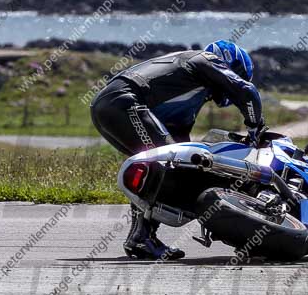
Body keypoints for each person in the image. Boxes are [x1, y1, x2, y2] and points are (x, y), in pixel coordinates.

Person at [90, 40, 265, 260]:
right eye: (236, 74)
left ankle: (141, 237)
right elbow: (246, 91)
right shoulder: (204, 59)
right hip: (123, 102)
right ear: (230, 65)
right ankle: (142, 237)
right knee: (165, 165)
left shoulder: (189, 90)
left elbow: (181, 143)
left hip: (109, 107)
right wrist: (256, 127)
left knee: (159, 170)